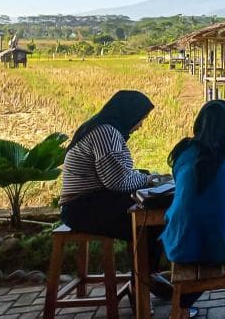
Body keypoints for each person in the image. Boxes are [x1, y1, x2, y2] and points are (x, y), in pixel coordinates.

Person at [59, 90, 172, 298]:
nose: (140, 125)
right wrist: (152, 179)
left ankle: (142, 278)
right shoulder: (106, 133)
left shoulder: (103, 129)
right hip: (83, 208)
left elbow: (117, 175)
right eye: (141, 119)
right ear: (130, 113)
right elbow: (117, 182)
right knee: (149, 219)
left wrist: (145, 177)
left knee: (149, 214)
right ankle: (144, 279)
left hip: (88, 203)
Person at [162, 100, 225, 319]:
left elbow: (182, 184)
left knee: (209, 243)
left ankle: (181, 309)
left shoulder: (183, 151)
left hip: (181, 244)